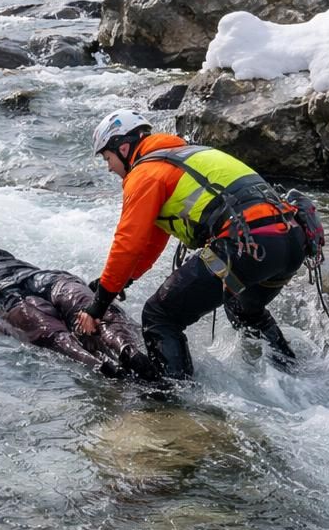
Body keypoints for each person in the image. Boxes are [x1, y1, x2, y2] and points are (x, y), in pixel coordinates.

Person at [75, 110, 303, 382]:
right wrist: (121, 282)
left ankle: (176, 404)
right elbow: (150, 244)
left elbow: (128, 243)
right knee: (243, 308)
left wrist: (98, 306)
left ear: (123, 148)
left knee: (159, 316)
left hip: (244, 245)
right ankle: (292, 373)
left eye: (107, 158)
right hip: (292, 240)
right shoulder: (184, 156)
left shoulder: (145, 173)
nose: (109, 167)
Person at [0, 244, 159, 380]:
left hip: (40, 278)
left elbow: (5, 255)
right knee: (47, 330)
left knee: (86, 305)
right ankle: (104, 368)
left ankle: (131, 352)